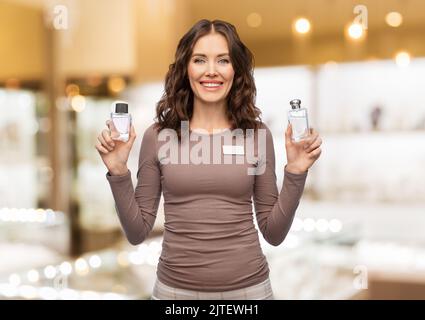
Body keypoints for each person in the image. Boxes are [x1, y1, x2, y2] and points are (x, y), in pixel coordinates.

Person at [95, 19, 322, 300]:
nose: (211, 71)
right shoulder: (159, 136)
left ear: (236, 70)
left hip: (248, 294)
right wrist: (117, 170)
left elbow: (274, 232)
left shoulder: (256, 135)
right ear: (185, 68)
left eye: (223, 60)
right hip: (174, 295)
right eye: (200, 60)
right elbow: (137, 232)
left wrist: (296, 171)